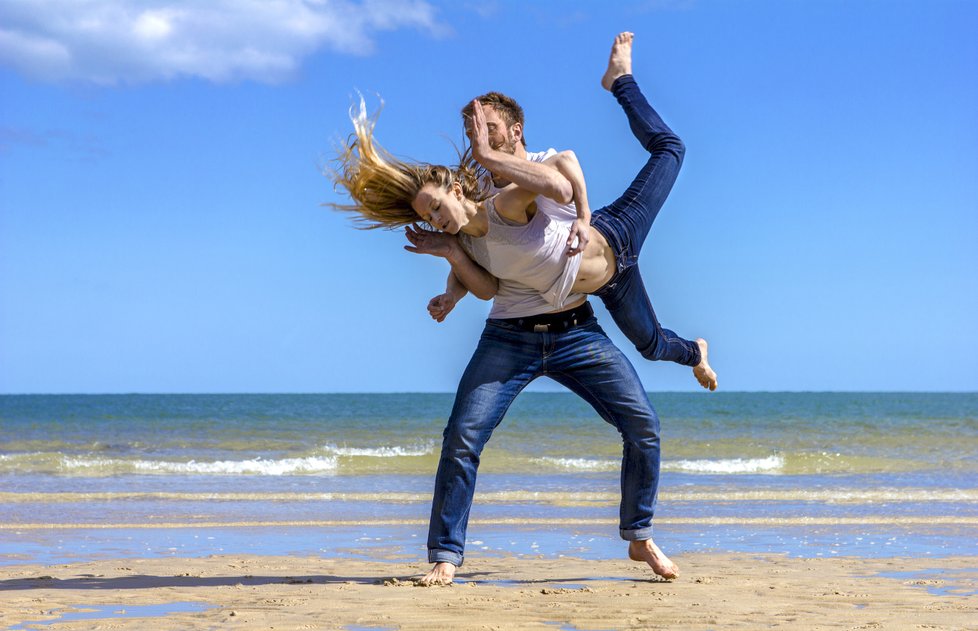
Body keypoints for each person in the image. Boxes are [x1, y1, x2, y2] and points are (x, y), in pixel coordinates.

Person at [330, 32, 701, 585]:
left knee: (642, 422)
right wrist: (451, 274)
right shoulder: (467, 223)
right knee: (463, 436)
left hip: (581, 318)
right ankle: (445, 557)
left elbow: (560, 174)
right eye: (428, 215)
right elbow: (480, 284)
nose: (434, 219)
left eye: (436, 207)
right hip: (511, 336)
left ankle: (639, 537)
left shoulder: (509, 189)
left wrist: (574, 208)